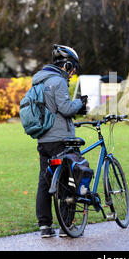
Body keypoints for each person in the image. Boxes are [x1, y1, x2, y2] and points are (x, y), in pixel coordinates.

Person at [31, 44, 87, 238]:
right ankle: (67, 224)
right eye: (73, 68)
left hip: (44, 140)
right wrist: (80, 102)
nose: (73, 73)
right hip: (62, 140)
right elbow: (65, 109)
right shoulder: (58, 81)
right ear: (66, 65)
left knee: (44, 182)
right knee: (69, 180)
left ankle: (45, 226)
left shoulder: (38, 80)